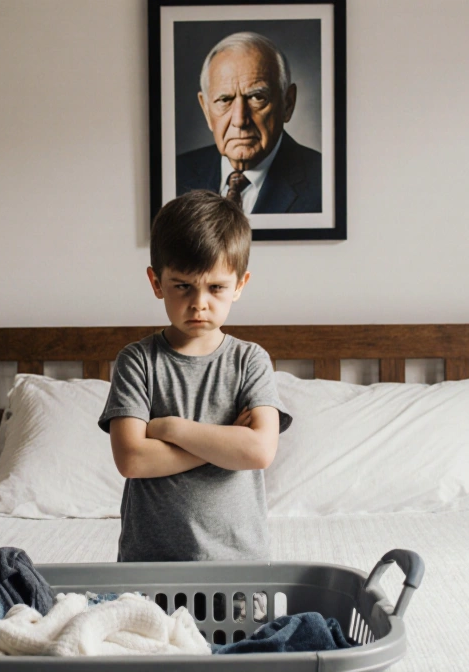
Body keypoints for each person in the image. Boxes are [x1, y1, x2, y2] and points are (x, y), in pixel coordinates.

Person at [97, 190, 293, 562]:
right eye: (183, 286)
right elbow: (133, 460)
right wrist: (225, 445)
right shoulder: (137, 361)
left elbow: (259, 451)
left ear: (239, 285)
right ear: (157, 283)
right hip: (149, 566)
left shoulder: (250, 360)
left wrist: (169, 428)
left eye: (216, 287)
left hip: (239, 565)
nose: (199, 302)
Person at [176, 31, 322, 214]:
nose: (239, 120)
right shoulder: (176, 174)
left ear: (288, 104)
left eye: (257, 97)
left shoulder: (324, 182)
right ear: (206, 109)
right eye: (224, 100)